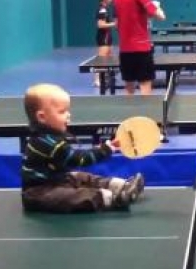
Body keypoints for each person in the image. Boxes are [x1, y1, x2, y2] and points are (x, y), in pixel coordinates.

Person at [21, 83, 145, 212]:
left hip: (58, 180)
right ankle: (116, 198)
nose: (68, 115)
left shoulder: (49, 137)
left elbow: (73, 156)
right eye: (62, 112)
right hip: (39, 193)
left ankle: (121, 186)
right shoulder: (48, 143)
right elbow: (79, 159)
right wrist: (104, 150)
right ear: (42, 117)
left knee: (81, 177)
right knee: (77, 196)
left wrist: (106, 147)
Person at [113, 0, 166, 95]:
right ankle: (145, 115)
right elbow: (160, 16)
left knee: (129, 87)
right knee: (145, 85)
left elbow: (119, 21)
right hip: (141, 48)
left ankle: (130, 116)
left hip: (125, 49)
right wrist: (157, 6)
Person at [94, 0, 116, 87]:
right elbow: (100, 24)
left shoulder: (105, 9)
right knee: (101, 60)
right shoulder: (102, 10)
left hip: (108, 37)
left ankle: (107, 78)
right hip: (103, 38)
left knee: (109, 58)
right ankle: (97, 80)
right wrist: (115, 24)